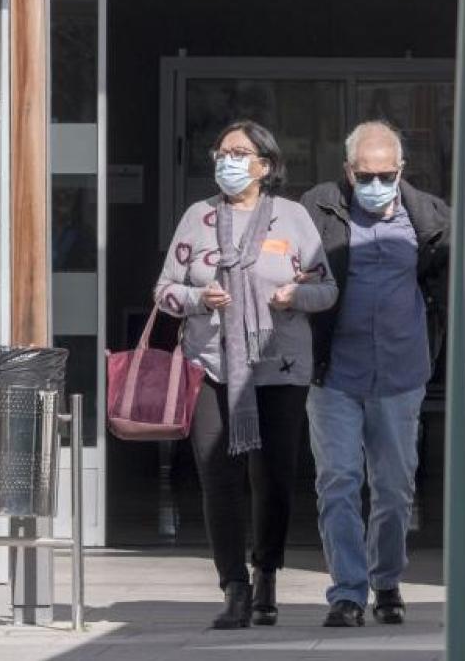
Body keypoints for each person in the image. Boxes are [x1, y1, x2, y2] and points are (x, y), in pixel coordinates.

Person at [155, 120, 338, 629]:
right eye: (222, 151)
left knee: (274, 477)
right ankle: (233, 585)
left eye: (240, 153)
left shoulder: (293, 218)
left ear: (266, 165)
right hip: (212, 364)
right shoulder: (199, 217)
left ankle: (267, 575)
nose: (228, 160)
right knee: (219, 479)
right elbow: (166, 289)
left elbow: (327, 289)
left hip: (278, 366)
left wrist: (294, 295)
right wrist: (197, 298)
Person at [300, 120, 450, 627]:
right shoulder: (319, 207)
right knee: (337, 480)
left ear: (400, 170)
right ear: (348, 170)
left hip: (402, 372)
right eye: (365, 173)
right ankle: (347, 590)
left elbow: (452, 279)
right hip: (335, 373)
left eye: (385, 174)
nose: (375, 183)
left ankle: (386, 581)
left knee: (393, 488)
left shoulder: (428, 215)